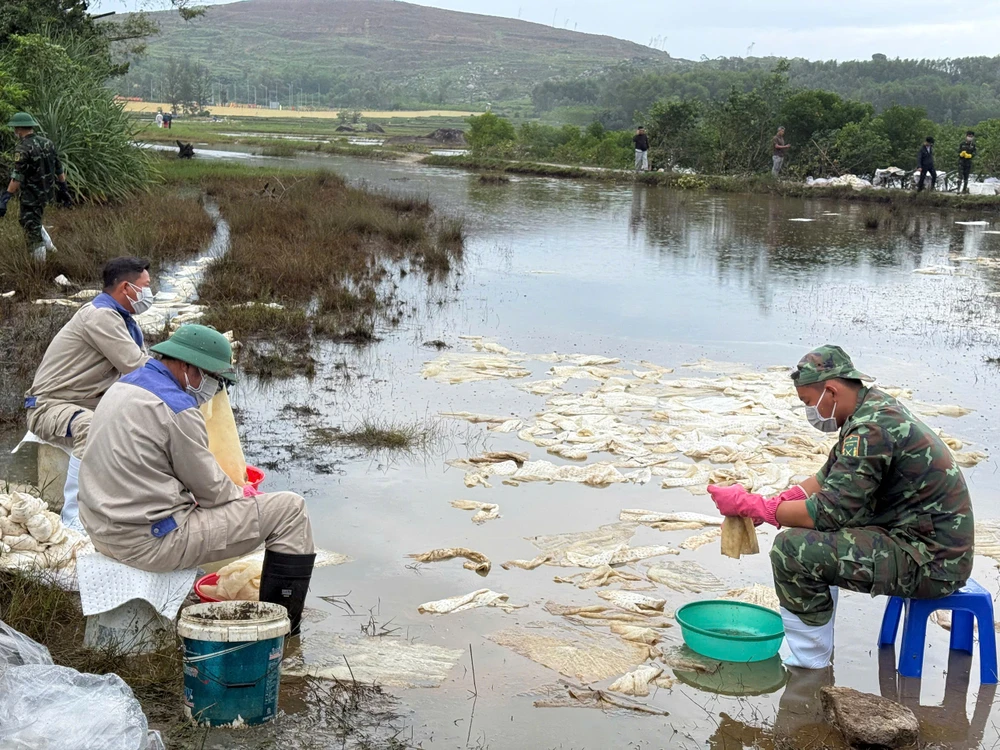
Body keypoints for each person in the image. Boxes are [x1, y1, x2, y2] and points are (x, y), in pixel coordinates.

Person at [707, 345, 973, 669]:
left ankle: (809, 664)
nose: (811, 412)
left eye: (808, 402)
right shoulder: (870, 410)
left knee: (792, 551)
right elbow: (825, 478)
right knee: (820, 532)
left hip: (933, 561)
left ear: (830, 390)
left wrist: (758, 508)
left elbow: (826, 512)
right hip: (922, 539)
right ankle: (817, 643)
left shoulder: (870, 429)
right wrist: (775, 503)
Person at [78, 324, 316, 634]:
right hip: (147, 543)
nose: (216, 390)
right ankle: (282, 629)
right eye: (216, 380)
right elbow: (213, 493)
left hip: (102, 530)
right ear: (189, 367)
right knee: (290, 510)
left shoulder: (125, 386)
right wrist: (243, 492)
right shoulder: (178, 408)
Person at [26, 257, 154, 531]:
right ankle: (74, 518)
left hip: (83, 404)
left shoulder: (124, 320)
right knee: (91, 427)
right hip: (50, 407)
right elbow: (138, 367)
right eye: (145, 287)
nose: (149, 293)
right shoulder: (101, 316)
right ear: (126, 288)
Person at [0, 112, 72, 261]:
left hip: (31, 195)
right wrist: (63, 187)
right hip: (46, 192)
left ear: (19, 129)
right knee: (32, 220)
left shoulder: (23, 148)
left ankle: (39, 267)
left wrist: (6, 197)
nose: (14, 132)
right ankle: (51, 248)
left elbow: (17, 176)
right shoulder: (48, 143)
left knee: (31, 227)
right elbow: (59, 168)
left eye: (15, 129)